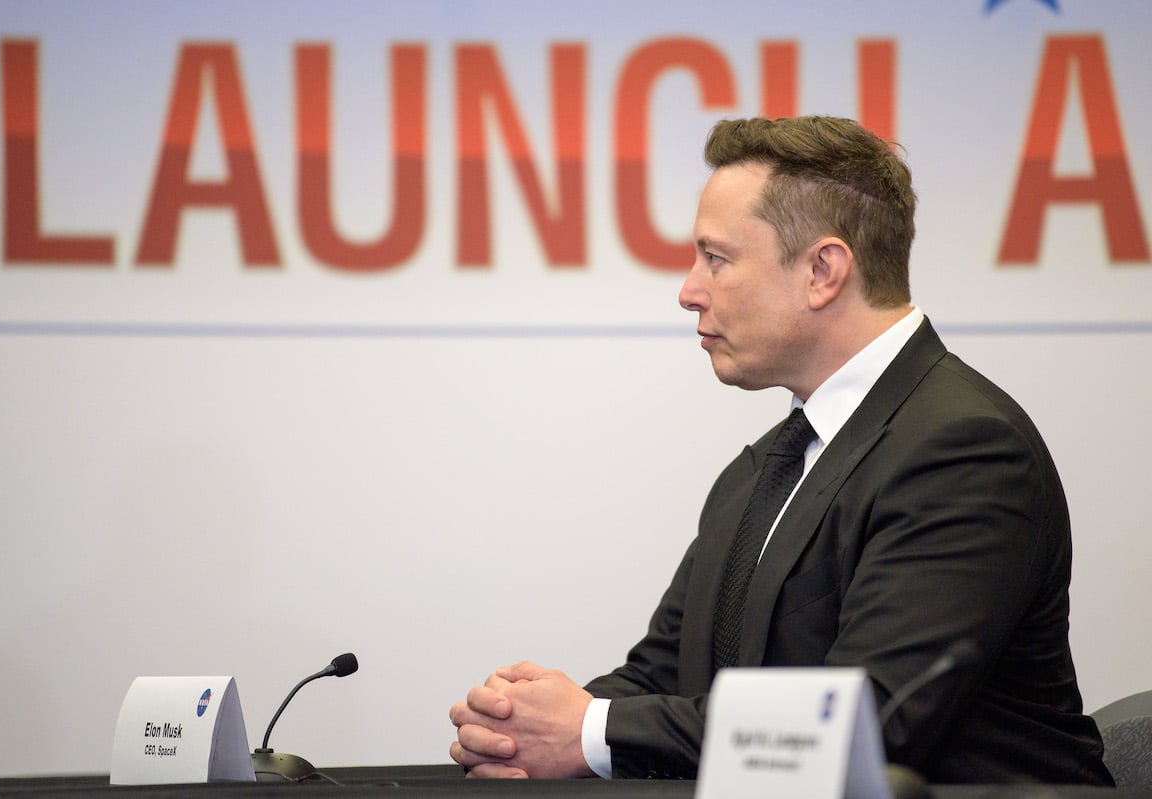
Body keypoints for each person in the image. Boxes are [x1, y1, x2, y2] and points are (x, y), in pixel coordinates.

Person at [448, 116, 1112, 785]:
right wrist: (521, 730)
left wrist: (589, 731)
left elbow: (868, 719)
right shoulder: (767, 465)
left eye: (717, 259)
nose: (689, 291)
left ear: (823, 271)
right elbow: (665, 674)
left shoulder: (964, 450)